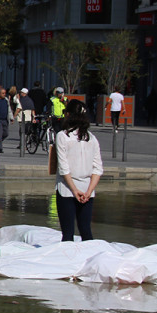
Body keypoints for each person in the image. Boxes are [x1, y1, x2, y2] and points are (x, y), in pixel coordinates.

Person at [55, 99, 104, 242]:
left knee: (68, 233)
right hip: (87, 188)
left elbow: (64, 168)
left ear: (68, 114)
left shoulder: (63, 136)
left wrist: (75, 190)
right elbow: (98, 168)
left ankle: (68, 262)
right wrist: (89, 191)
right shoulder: (92, 138)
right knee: (86, 231)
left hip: (67, 189)